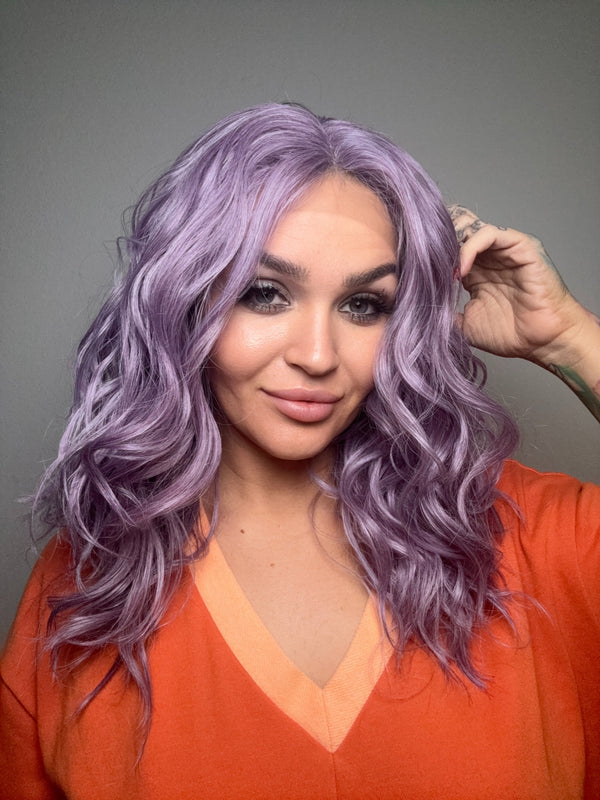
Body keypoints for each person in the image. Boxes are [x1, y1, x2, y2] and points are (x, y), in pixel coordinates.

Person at [1, 103, 598, 799]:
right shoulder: (88, 586)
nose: (317, 356)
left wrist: (570, 338)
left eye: (364, 305)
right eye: (265, 294)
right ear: (184, 301)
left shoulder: (525, 535)